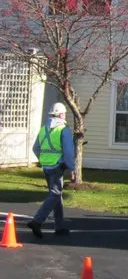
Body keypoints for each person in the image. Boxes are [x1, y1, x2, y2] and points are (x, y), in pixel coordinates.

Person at [28, 102, 76, 238]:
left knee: (56, 195)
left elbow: (35, 148)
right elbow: (68, 151)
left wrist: (43, 160)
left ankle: (59, 227)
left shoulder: (44, 128)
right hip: (57, 166)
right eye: (65, 113)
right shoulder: (63, 129)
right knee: (55, 195)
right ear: (61, 114)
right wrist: (71, 168)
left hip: (46, 166)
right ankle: (37, 221)